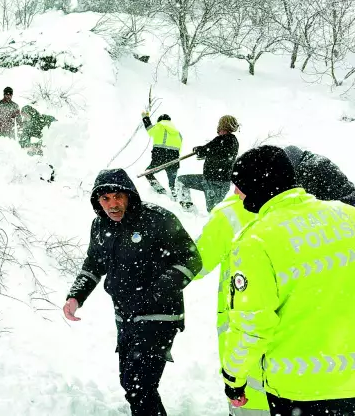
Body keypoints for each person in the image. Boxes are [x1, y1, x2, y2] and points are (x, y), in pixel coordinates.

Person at [222, 145, 355, 416]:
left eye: (239, 185)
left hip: (302, 387)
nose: (236, 193)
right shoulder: (347, 215)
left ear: (258, 185)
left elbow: (252, 326)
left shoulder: (256, 242)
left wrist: (233, 379)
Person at [63, 168, 201, 416]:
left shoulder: (157, 219)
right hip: (125, 316)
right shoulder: (100, 226)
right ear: (97, 202)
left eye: (118, 197)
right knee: (131, 383)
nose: (112, 205)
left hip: (159, 315)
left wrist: (158, 290)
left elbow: (192, 259)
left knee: (141, 386)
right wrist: (76, 296)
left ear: (129, 196)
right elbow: (94, 264)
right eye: (105, 199)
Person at [193, 193, 268, 416]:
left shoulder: (230, 214)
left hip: (244, 323)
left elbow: (196, 264)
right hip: (311, 364)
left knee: (251, 397)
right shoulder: (311, 212)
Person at [176, 115, 240, 212]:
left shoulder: (224, 140)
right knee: (181, 181)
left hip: (216, 182)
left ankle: (214, 224)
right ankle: (188, 207)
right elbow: (212, 151)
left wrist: (199, 150)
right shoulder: (231, 141)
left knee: (214, 212)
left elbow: (207, 150)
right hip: (210, 180)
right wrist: (203, 152)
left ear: (223, 126)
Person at [283, 145, 355, 206]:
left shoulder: (307, 168)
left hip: (342, 204)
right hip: (349, 198)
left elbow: (307, 199)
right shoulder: (316, 160)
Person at [142, 112, 182, 198]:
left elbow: (149, 129)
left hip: (160, 156)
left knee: (148, 173)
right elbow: (180, 148)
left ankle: (161, 191)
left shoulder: (160, 125)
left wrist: (145, 117)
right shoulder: (178, 132)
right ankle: (175, 196)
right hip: (174, 159)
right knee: (173, 183)